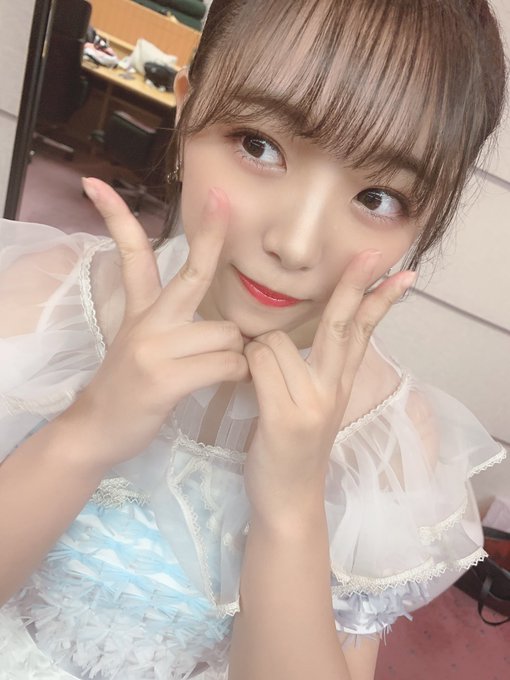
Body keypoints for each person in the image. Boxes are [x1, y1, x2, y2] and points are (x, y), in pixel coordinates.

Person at [0, 1, 507, 678]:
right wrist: (86, 431)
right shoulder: (40, 304)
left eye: (377, 197)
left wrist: (292, 512)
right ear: (188, 106)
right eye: (259, 145)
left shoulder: (388, 442)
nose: (295, 244)